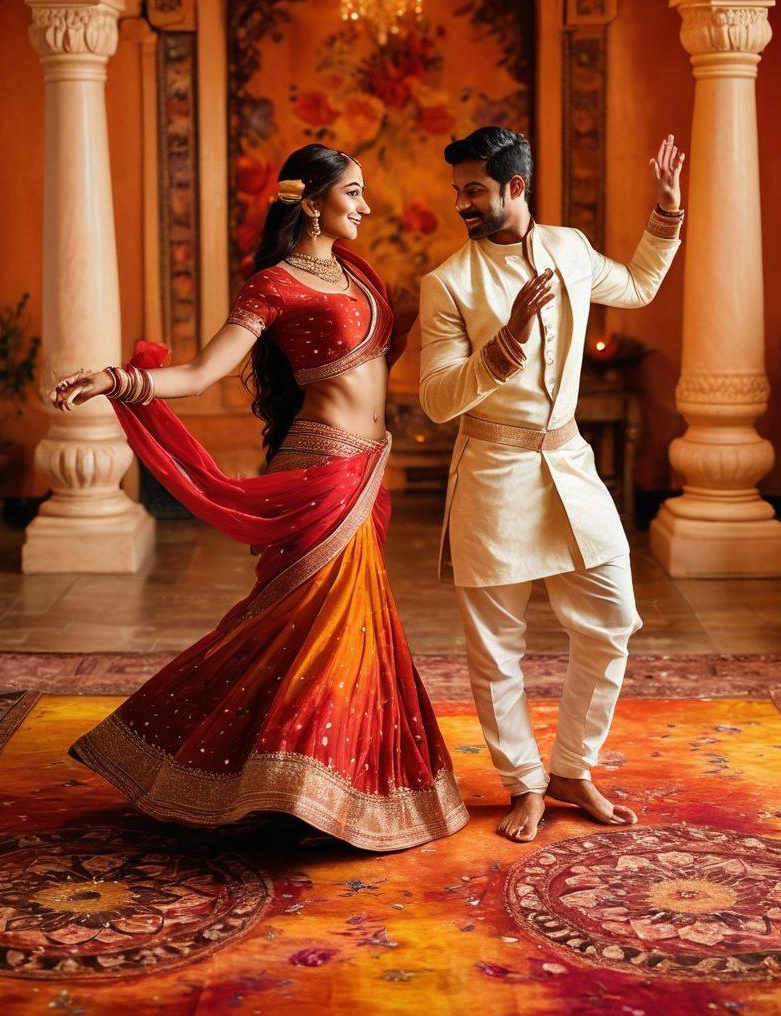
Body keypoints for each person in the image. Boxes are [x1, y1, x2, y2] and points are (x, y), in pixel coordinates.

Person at [50, 143, 468, 851]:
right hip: (323, 469)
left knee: (326, 632)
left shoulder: (358, 273)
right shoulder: (274, 284)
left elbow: (379, 360)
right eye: (353, 193)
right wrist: (119, 381)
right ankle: (289, 786)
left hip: (368, 469)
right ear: (312, 202)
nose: (366, 206)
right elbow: (204, 372)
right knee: (318, 628)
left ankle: (306, 786)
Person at [419, 126, 685, 842]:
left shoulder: (567, 247)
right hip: (492, 476)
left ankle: (572, 767)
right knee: (496, 647)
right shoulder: (448, 283)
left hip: (569, 468)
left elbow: (635, 285)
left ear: (514, 186)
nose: (462, 204)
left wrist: (666, 215)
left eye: (474, 190)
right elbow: (438, 401)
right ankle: (525, 785)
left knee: (612, 620)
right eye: (457, 191)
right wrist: (502, 346)